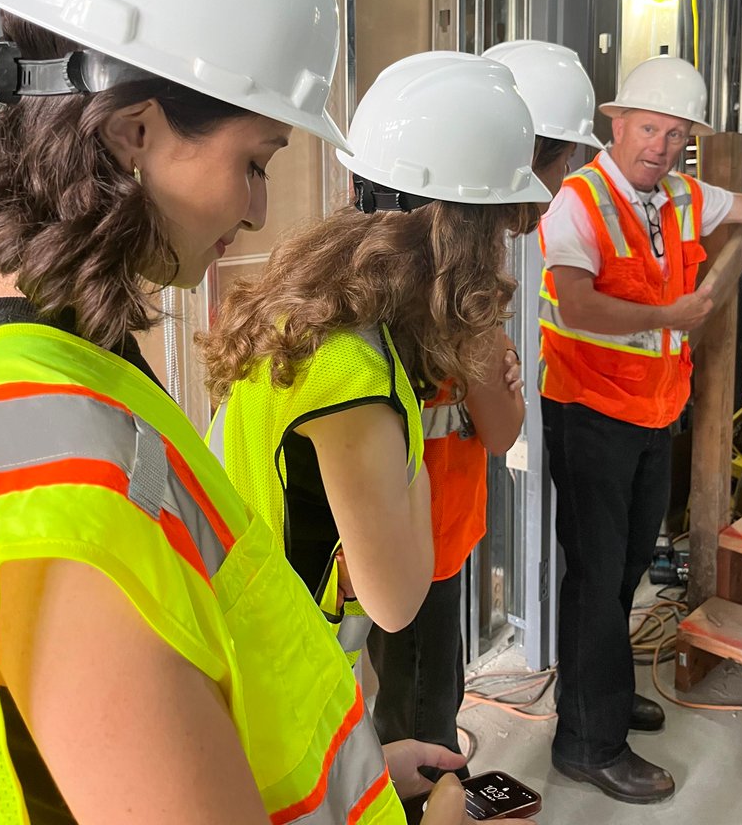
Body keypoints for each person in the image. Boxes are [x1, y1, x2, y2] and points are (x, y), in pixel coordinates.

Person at [0, 0, 471, 825]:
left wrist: (357, 767)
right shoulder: (54, 469)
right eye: (255, 161)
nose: (262, 211)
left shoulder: (20, 360)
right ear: (135, 132)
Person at [538, 54, 742, 805]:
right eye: (650, 128)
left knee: (628, 569)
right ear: (617, 123)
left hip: (649, 414)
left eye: (677, 135)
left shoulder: (678, 196)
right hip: (588, 414)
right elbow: (576, 307)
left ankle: (597, 700)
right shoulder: (578, 201)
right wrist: (667, 318)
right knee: (595, 580)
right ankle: (587, 743)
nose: (662, 146)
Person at [203, 50, 548, 674]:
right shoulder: (355, 375)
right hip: (276, 670)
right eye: (497, 233)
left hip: (253, 634)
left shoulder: (313, 300)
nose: (501, 256)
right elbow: (395, 601)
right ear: (464, 238)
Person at [366, 40, 602, 775]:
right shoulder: (447, 299)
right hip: (408, 553)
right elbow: (503, 428)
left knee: (415, 706)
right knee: (421, 724)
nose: (560, 185)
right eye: (560, 164)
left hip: (419, 540)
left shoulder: (380, 272)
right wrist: (487, 368)